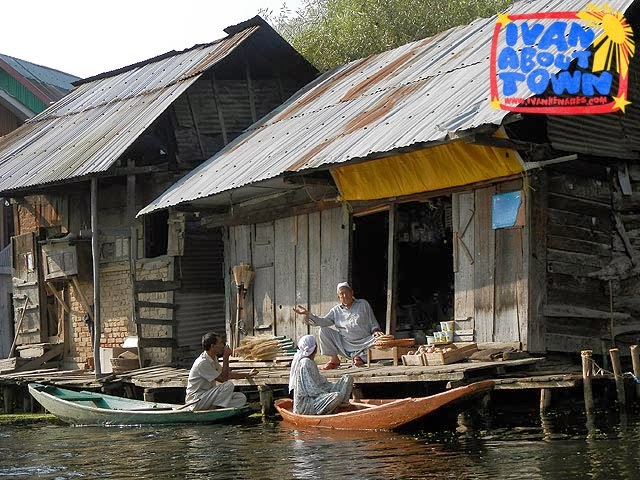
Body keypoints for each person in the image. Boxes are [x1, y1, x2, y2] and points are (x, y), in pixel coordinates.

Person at [293, 281, 385, 369]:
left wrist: (376, 331)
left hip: (365, 342)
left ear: (352, 292)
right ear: (339, 297)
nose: (345, 296)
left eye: (346, 292)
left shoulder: (363, 304)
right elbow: (323, 322)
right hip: (346, 343)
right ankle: (334, 359)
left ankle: (360, 357)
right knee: (323, 331)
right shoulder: (336, 310)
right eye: (342, 294)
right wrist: (308, 314)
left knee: (381, 340)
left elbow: (373, 322)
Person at [185, 332, 258, 411]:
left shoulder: (213, 358)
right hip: (197, 400)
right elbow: (223, 379)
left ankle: (217, 408)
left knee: (240, 398)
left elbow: (226, 374)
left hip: (208, 397)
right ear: (212, 346)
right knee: (228, 385)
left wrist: (246, 375)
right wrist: (226, 357)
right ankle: (212, 410)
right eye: (220, 343)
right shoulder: (202, 362)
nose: (223, 346)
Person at [288, 334, 354, 415]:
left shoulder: (310, 362)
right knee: (337, 396)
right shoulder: (305, 363)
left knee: (348, 378)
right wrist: (328, 394)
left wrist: (331, 388)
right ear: (315, 348)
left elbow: (321, 383)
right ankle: (334, 407)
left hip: (319, 395)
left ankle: (340, 406)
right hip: (308, 404)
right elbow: (312, 391)